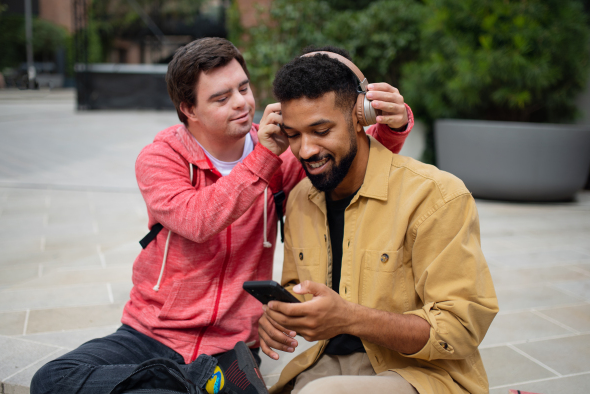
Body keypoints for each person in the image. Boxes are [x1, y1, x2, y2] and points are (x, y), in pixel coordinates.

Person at [31, 39, 414, 394]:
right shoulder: (161, 158)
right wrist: (262, 158)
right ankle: (191, 382)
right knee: (52, 379)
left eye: (243, 88)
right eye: (221, 98)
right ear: (188, 109)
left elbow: (347, 165)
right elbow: (198, 220)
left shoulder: (284, 154)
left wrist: (395, 125)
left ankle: (188, 383)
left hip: (233, 347)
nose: (242, 104)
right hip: (149, 333)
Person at [257, 50, 499, 394]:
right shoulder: (299, 199)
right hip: (327, 363)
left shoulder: (437, 196)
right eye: (293, 135)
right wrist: (280, 314)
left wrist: (348, 317)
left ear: (361, 117)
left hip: (423, 373)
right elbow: (298, 287)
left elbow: (460, 329)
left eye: (321, 130)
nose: (306, 150)